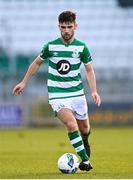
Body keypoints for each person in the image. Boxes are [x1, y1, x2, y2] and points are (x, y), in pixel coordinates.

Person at [12, 11, 101, 171]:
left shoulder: (82, 47)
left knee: (84, 129)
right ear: (58, 27)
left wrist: (94, 91)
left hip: (77, 94)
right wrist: (24, 82)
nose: (66, 30)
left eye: (69, 27)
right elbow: (37, 63)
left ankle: (85, 142)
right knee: (71, 125)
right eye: (62, 27)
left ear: (75, 26)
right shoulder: (50, 46)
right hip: (57, 95)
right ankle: (85, 160)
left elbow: (89, 70)